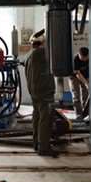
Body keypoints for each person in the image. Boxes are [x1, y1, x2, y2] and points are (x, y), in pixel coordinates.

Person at [24, 29, 58, 157]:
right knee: (45, 119)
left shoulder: (29, 54)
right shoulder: (41, 53)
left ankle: (36, 143)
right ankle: (44, 147)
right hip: (44, 92)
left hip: (34, 92)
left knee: (37, 116)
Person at [68, 46, 89, 120]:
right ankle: (79, 114)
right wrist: (86, 83)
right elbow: (78, 74)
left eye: (85, 58)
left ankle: (86, 113)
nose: (84, 59)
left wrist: (88, 82)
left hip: (85, 76)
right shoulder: (75, 60)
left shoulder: (90, 58)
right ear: (79, 54)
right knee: (76, 95)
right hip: (74, 76)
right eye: (82, 58)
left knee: (86, 94)